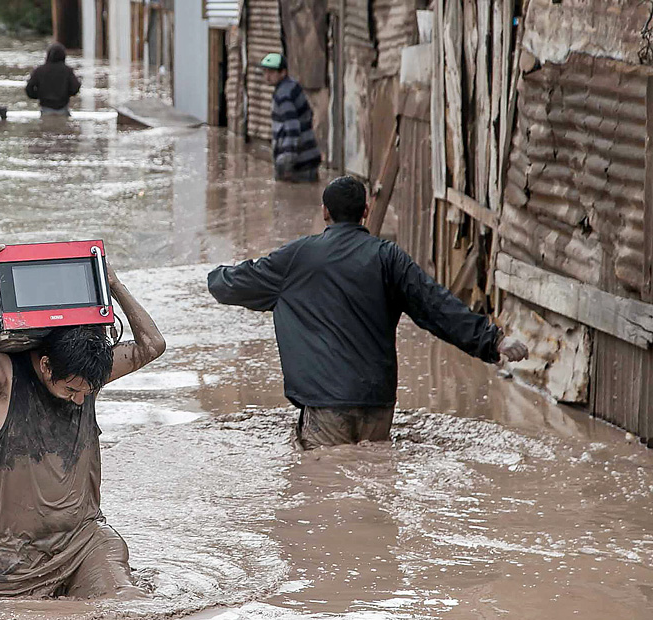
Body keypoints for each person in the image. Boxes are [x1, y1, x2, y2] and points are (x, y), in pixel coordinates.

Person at [206, 176, 529, 450]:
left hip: (326, 404)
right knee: (371, 486)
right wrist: (494, 341)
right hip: (378, 403)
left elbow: (228, 285)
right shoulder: (388, 258)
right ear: (366, 211)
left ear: (324, 212)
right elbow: (437, 305)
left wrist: (214, 273)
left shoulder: (298, 258)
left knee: (325, 492)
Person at [0, 239, 166, 599]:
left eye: (86, 392)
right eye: (72, 391)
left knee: (126, 602)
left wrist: (112, 284)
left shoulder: (87, 375)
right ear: (47, 366)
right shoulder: (6, 380)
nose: (81, 399)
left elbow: (151, 346)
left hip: (86, 541)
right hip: (20, 560)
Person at [261, 53, 322, 183]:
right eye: (265, 71)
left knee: (288, 199)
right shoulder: (292, 86)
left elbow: (292, 128)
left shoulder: (283, 95)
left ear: (283, 72)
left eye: (271, 72)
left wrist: (287, 161)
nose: (267, 76)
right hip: (309, 156)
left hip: (298, 163)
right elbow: (308, 116)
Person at [25, 42, 81, 117]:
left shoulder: (39, 70)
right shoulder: (67, 70)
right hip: (63, 107)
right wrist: (66, 94)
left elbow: (29, 88)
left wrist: (39, 95)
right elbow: (75, 88)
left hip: (45, 107)